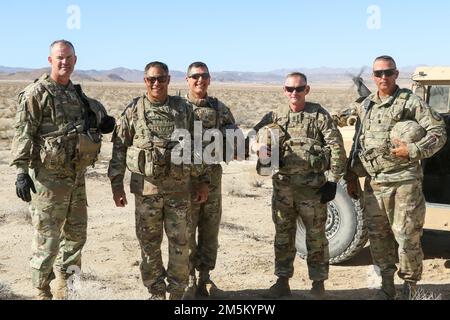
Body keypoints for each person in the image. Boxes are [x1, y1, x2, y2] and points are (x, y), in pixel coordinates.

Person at [10, 40, 115, 300]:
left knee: (76, 236)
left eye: (68, 58)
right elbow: (24, 132)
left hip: (76, 178)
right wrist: (22, 171)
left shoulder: (78, 95)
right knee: (48, 239)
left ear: (75, 60)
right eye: (59, 58)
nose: (64, 62)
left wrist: (102, 122)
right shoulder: (37, 93)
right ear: (50, 60)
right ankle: (41, 290)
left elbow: (96, 119)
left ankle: (66, 288)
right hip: (47, 180)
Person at [345, 55, 447, 299]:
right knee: (378, 236)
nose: (383, 77)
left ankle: (410, 287)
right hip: (374, 182)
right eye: (378, 73)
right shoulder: (366, 105)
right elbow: (359, 141)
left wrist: (413, 150)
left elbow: (438, 131)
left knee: (407, 236)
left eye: (388, 72)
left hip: (404, 182)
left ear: (396, 74)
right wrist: (350, 173)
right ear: (373, 76)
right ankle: (387, 285)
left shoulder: (409, 102)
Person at [108, 61, 209, 300]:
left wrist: (202, 180)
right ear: (145, 81)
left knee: (180, 245)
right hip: (147, 192)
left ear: (168, 80)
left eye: (161, 79)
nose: (156, 83)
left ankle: (176, 293)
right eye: (151, 79)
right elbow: (119, 149)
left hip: (179, 192)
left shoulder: (184, 109)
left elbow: (197, 146)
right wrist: (116, 185)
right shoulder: (133, 110)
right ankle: (156, 292)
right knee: (149, 245)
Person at [252, 72, 347, 298]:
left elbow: (336, 147)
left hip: (312, 192)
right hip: (283, 190)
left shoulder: (318, 116)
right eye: (289, 89)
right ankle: (282, 282)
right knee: (283, 237)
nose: (294, 93)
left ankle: (318, 285)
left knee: (316, 239)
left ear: (307, 89)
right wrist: (257, 146)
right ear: (284, 90)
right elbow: (252, 134)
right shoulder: (275, 116)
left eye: (299, 88)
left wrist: (333, 181)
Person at [183, 62, 237, 298]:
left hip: (213, 179)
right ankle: (188, 278)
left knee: (209, 229)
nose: (199, 80)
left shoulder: (219, 109)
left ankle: (204, 277)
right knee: (185, 229)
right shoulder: (179, 108)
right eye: (195, 76)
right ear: (187, 79)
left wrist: (239, 145)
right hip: (184, 180)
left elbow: (234, 135)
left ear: (209, 79)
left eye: (204, 76)